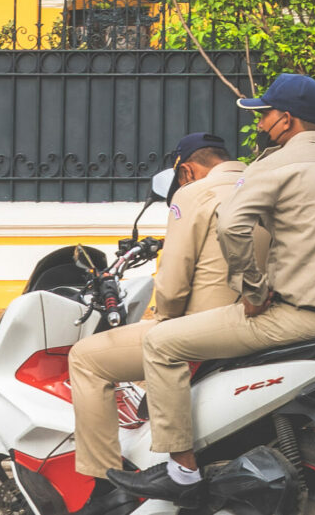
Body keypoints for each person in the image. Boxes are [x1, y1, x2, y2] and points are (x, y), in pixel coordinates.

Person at [132, 72, 315, 501]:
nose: (261, 124)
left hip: (291, 321)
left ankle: (183, 471)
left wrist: (252, 290)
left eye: (265, 114)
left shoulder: (273, 166)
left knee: (160, 345)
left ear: (286, 120)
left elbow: (231, 224)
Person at [69, 133, 245, 488]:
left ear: (187, 172)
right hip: (260, 322)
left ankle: (105, 485)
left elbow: (173, 284)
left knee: (85, 358)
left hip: (202, 330)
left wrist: (165, 318)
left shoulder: (194, 194)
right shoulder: (266, 185)